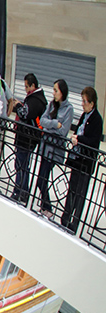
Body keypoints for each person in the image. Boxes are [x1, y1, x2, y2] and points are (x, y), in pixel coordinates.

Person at [61, 87, 102, 234]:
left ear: (92, 103)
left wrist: (79, 140)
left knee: (80, 193)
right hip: (77, 159)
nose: (83, 104)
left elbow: (93, 141)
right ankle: (65, 218)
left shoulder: (96, 119)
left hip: (85, 161)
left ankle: (74, 222)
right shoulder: (84, 116)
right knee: (72, 189)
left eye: (85, 101)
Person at [36, 80, 73, 219]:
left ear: (62, 92)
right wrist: (54, 124)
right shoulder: (51, 105)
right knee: (41, 178)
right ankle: (45, 206)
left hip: (55, 150)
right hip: (45, 147)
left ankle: (47, 207)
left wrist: (52, 127)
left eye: (56, 90)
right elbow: (43, 121)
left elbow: (63, 131)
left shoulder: (69, 109)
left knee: (42, 179)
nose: (53, 93)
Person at [9, 73, 47, 204]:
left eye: (26, 86)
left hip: (27, 138)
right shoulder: (36, 98)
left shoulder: (36, 100)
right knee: (22, 164)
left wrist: (18, 106)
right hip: (26, 138)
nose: (25, 89)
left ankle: (20, 191)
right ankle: (21, 190)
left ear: (33, 86)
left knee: (22, 165)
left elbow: (26, 114)